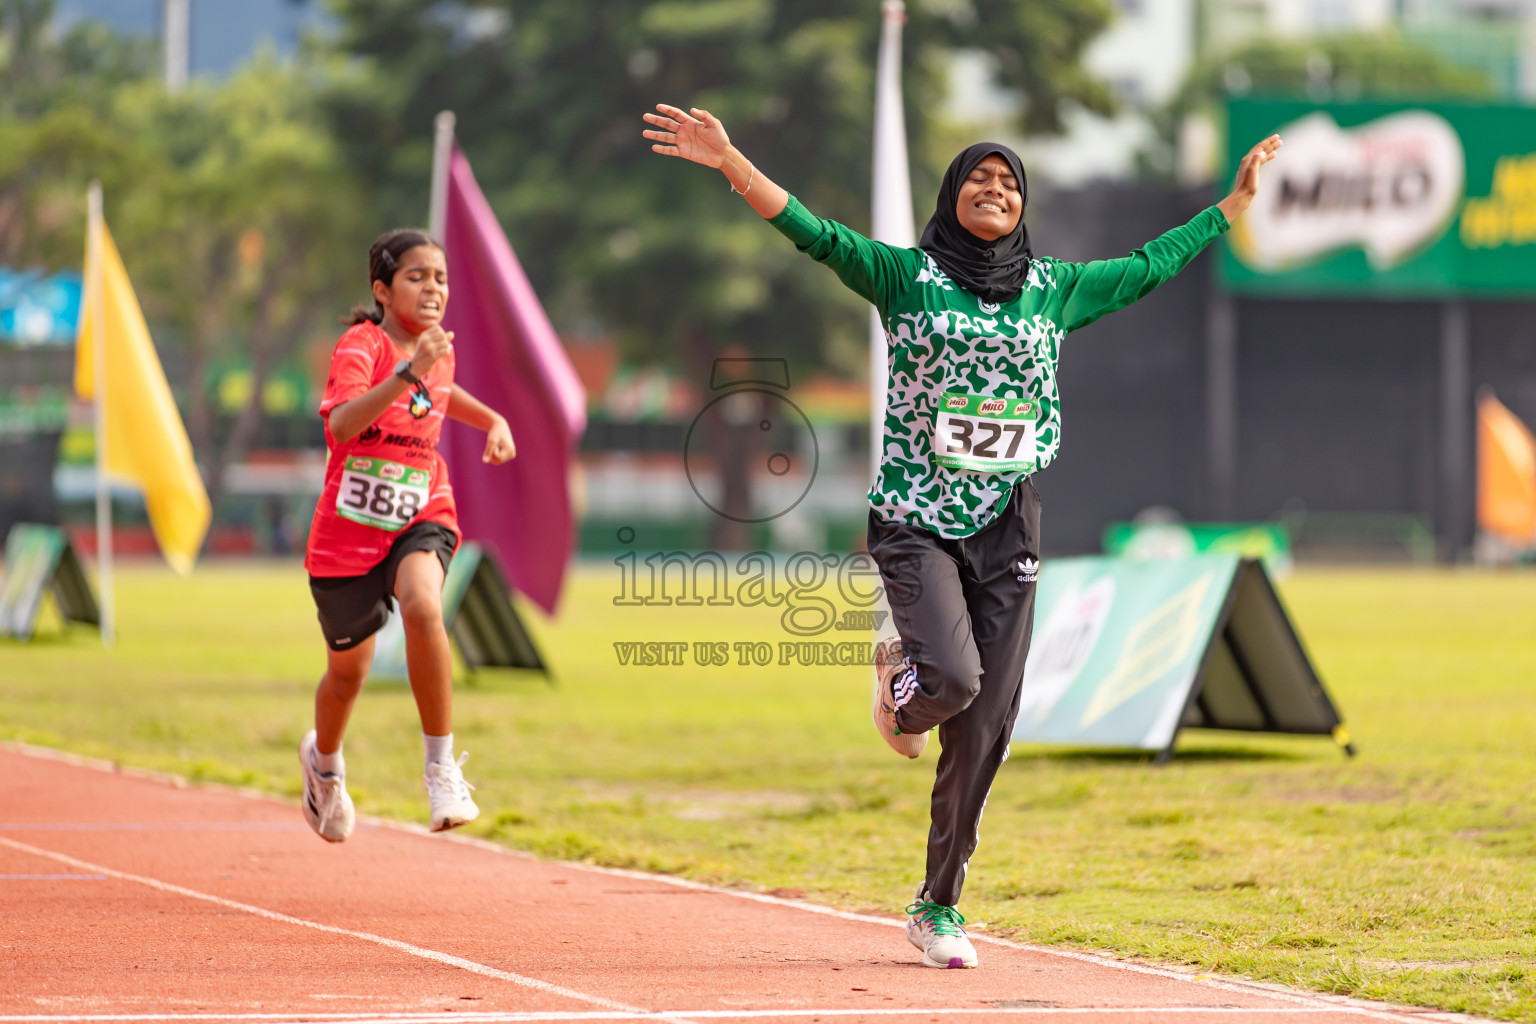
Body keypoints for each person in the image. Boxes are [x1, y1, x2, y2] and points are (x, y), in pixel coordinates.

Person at [643, 102, 1280, 969]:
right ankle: (900, 688)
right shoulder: (907, 278)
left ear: (1023, 208)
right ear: (950, 198)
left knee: (987, 722)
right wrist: (733, 164)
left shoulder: (1054, 288)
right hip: (914, 518)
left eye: (1009, 181)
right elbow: (815, 234)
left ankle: (939, 906)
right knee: (950, 680)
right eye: (978, 177)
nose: (995, 188)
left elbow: (1146, 266)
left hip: (1007, 518)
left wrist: (1230, 208)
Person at [298, 228, 516, 843]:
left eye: (440, 278)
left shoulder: (437, 350)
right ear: (382, 289)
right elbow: (342, 425)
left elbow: (442, 394)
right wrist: (405, 372)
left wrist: (492, 420)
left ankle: (442, 769)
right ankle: (324, 766)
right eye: (418, 276)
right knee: (348, 676)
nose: (433, 288)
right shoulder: (360, 346)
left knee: (424, 605)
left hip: (421, 510)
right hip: (346, 533)